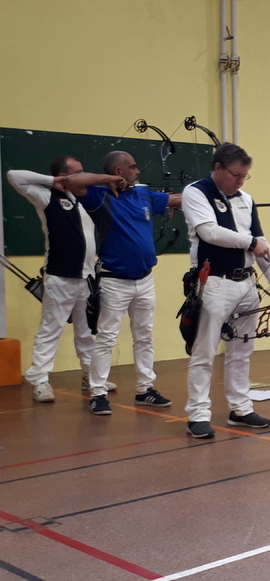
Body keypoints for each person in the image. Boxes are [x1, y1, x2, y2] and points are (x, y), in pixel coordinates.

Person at [179, 143, 270, 439]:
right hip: (213, 283)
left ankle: (240, 409)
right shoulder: (196, 192)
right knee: (204, 351)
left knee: (242, 350)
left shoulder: (246, 199)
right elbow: (209, 232)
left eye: (245, 176)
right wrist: (250, 243)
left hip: (246, 283)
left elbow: (261, 242)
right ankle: (198, 414)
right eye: (235, 175)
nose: (240, 181)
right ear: (217, 167)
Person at [62, 151, 182, 415]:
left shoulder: (143, 195)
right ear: (119, 171)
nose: (138, 171)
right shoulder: (99, 196)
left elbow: (177, 199)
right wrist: (106, 180)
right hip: (114, 280)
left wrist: (210, 192)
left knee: (144, 336)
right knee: (106, 338)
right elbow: (71, 182)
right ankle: (98, 393)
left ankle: (145, 389)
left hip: (145, 279)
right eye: (133, 167)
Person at [6, 156, 119, 402]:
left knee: (86, 331)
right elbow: (14, 176)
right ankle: (40, 380)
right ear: (63, 177)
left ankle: (90, 376)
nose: (83, 177)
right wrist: (52, 181)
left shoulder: (89, 199)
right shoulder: (47, 197)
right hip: (60, 277)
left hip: (87, 278)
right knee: (51, 329)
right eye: (77, 173)